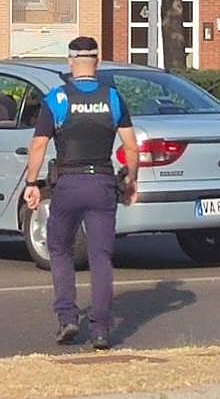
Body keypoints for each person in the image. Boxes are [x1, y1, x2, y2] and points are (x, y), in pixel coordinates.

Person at [22, 36, 140, 351]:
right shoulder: (113, 98)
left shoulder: (57, 99)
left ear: (70, 63)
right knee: (101, 256)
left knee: (60, 249)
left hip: (68, 185)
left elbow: (38, 145)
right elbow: (131, 146)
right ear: (97, 63)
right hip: (102, 184)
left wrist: (31, 184)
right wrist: (131, 181)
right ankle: (101, 330)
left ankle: (67, 318)